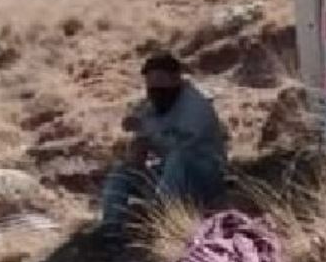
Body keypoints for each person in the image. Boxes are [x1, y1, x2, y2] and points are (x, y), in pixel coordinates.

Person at [96, 52, 229, 249]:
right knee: (122, 172)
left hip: (203, 175)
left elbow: (182, 144)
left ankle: (165, 223)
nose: (156, 92)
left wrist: (146, 128)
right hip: (170, 176)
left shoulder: (195, 106)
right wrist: (134, 161)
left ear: (176, 80)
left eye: (161, 85)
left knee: (178, 158)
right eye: (152, 87)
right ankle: (111, 230)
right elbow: (141, 143)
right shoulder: (152, 105)